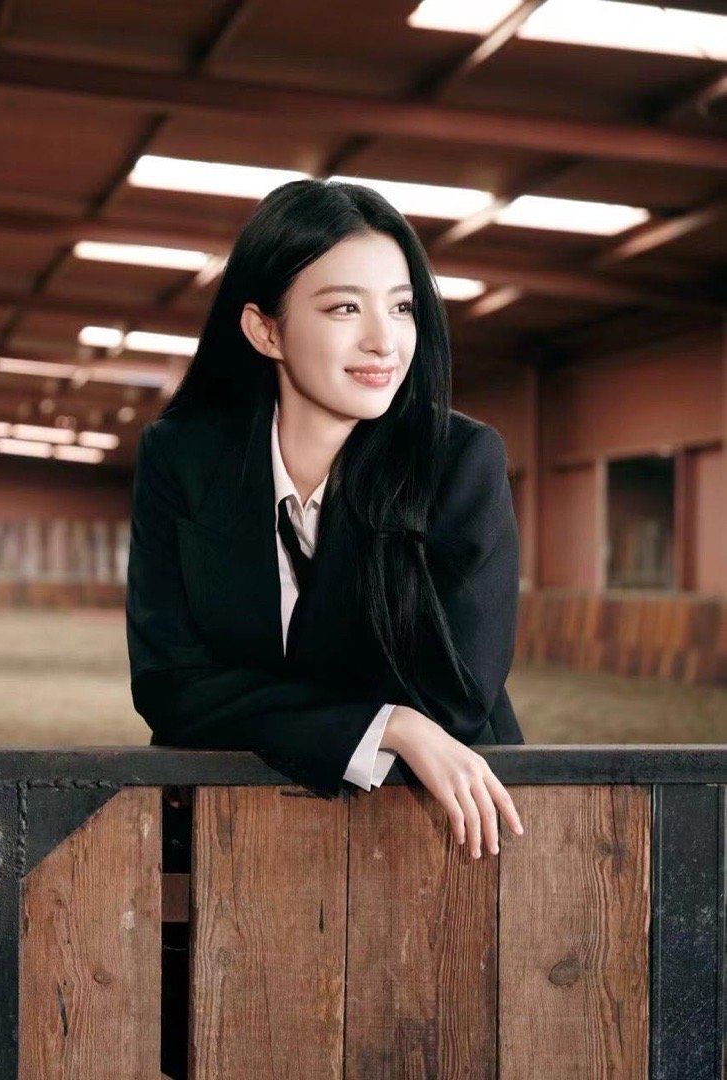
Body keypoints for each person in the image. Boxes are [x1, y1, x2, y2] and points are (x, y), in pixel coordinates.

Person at [126, 178, 525, 860]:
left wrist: (259, 707)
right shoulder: (181, 459)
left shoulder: (460, 461)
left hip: (442, 831)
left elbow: (457, 694)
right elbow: (169, 686)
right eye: (345, 307)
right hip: (230, 834)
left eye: (401, 308)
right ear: (265, 329)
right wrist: (390, 723)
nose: (383, 341)